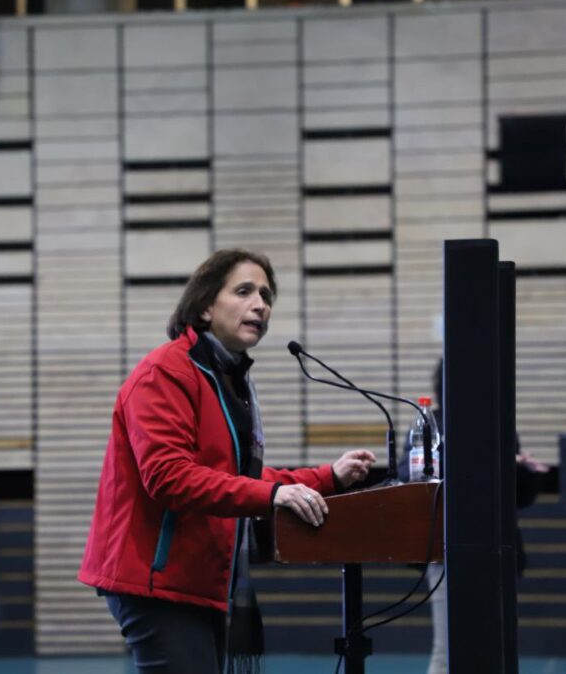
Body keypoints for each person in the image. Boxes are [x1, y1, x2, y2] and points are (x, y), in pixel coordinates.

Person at [79, 249, 376, 674]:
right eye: (244, 291)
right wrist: (274, 494)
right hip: (157, 581)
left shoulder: (229, 381)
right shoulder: (165, 373)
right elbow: (169, 477)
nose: (261, 304)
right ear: (204, 306)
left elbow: (240, 478)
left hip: (200, 582)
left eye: (266, 295)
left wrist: (328, 476)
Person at [412, 358, 548, 674]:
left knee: (497, 645)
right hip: (446, 549)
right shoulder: (431, 425)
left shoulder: (499, 425)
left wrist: (521, 470)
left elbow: (518, 498)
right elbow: (417, 480)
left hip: (497, 546)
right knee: (445, 651)